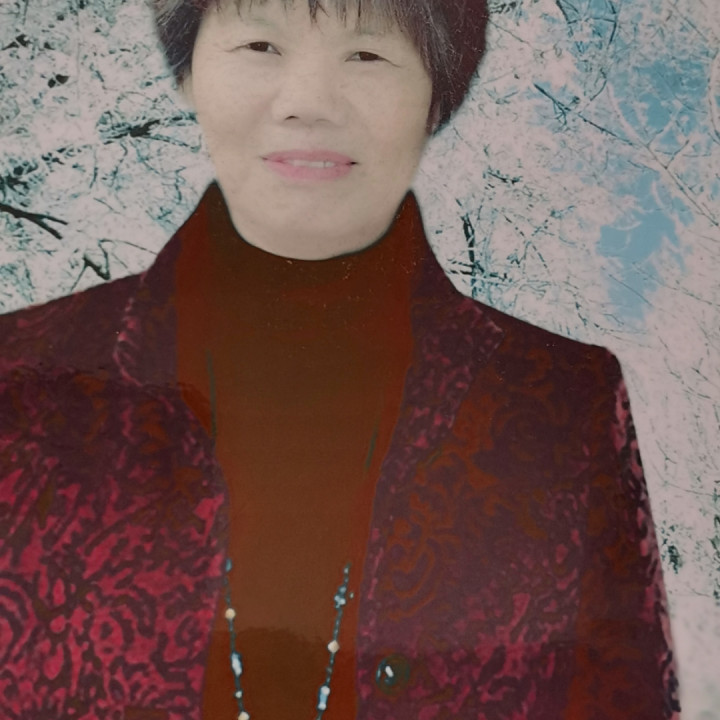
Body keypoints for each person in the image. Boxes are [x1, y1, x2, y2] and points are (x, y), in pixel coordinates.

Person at [0, 1, 680, 718]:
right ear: (188, 72)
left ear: (439, 93)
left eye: (367, 55)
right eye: (261, 45)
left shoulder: (560, 403)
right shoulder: (21, 380)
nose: (309, 104)